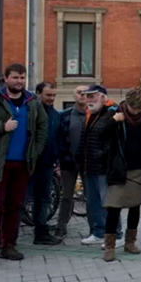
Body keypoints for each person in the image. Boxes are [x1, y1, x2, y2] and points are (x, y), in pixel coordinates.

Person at [0, 64, 48, 260]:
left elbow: (42, 127)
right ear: (6, 78)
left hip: (23, 164)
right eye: (16, 77)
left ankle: (9, 245)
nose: (19, 81)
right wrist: (2, 126)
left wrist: (36, 151)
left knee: (15, 205)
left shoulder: (32, 101)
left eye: (22, 78)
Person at [104, 88, 141, 262]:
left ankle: (130, 242)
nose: (136, 111)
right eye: (133, 107)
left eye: (139, 108)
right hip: (119, 169)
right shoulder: (115, 114)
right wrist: (113, 122)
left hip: (138, 168)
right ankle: (109, 246)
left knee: (135, 206)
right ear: (127, 103)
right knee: (114, 207)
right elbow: (99, 135)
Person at [77, 85, 123, 246]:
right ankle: (98, 232)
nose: (89, 100)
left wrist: (99, 155)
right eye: (88, 97)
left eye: (93, 96)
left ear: (103, 97)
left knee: (109, 203)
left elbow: (105, 133)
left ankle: (116, 235)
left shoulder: (111, 112)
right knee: (93, 203)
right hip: (89, 165)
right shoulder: (91, 114)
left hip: (104, 166)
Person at [28, 81, 63, 245]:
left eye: (54, 95)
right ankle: (4, 236)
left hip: (47, 165)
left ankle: (41, 233)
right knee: (21, 200)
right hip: (29, 164)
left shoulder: (55, 115)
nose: (52, 98)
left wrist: (57, 159)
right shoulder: (30, 111)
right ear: (38, 93)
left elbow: (57, 138)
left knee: (44, 200)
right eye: (48, 95)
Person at [56, 85, 90, 239]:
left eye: (85, 93)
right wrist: (59, 161)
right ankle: (61, 226)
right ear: (74, 95)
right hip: (68, 162)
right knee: (66, 196)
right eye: (79, 93)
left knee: (91, 197)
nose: (82, 95)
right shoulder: (65, 115)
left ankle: (95, 228)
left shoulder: (94, 115)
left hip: (88, 163)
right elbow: (59, 139)